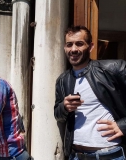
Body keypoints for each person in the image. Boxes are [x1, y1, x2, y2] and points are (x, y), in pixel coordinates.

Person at [54, 25, 126, 159]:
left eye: (79, 44)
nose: (73, 49)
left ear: (91, 46)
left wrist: (123, 125)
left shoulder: (113, 69)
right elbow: (58, 115)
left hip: (110, 155)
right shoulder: (63, 80)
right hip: (76, 156)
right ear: (65, 48)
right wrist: (64, 107)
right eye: (69, 45)